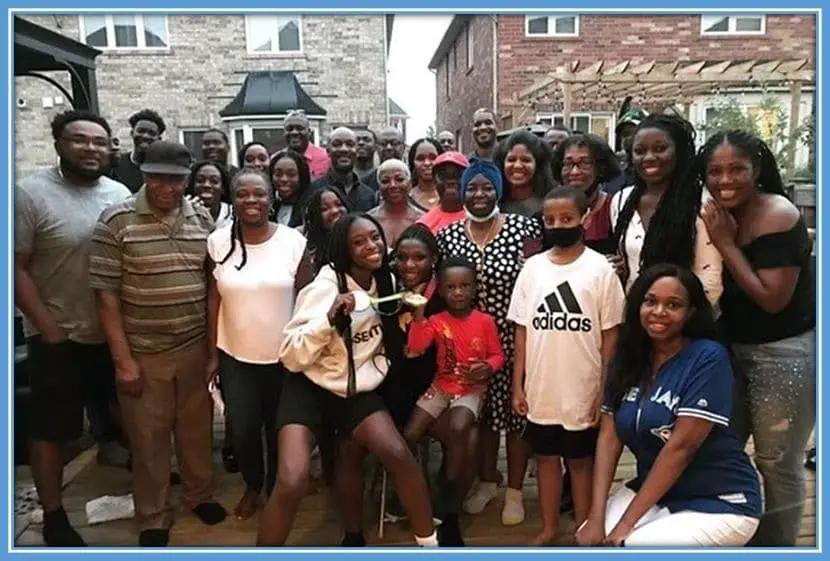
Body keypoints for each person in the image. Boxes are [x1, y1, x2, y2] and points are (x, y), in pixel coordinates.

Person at [257, 214, 438, 547]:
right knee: (293, 479)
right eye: (359, 242)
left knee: (399, 455)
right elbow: (290, 354)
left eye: (375, 237)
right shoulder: (323, 288)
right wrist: (329, 321)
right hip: (308, 388)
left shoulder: (387, 283)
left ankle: (430, 544)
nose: (372, 246)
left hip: (355, 391)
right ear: (343, 248)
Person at [89, 140, 227, 547]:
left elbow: (212, 285)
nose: (167, 188)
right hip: (143, 351)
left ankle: (198, 495)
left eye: (175, 180)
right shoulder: (116, 221)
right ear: (145, 176)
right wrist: (122, 360)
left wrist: (212, 350)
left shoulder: (202, 218)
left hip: (193, 346)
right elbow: (106, 295)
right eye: (157, 179)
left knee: (196, 432)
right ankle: (152, 513)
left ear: (187, 180)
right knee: (148, 439)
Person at [576, 263, 761, 547]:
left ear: (690, 313)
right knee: (590, 538)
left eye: (673, 304)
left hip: (719, 499)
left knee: (631, 546)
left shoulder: (708, 358)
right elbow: (609, 438)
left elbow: (681, 448)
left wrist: (625, 527)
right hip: (658, 491)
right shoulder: (626, 358)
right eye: (650, 301)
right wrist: (596, 517)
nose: (659, 312)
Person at [15, 110, 132, 546]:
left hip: (114, 332)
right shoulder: (29, 193)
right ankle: (54, 514)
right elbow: (16, 266)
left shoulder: (118, 192)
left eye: (99, 142)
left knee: (129, 414)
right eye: (79, 140)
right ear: (59, 144)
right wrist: (48, 329)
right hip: (59, 333)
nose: (90, 149)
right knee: (53, 430)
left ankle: (147, 487)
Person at [698, 130, 815, 546]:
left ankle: (779, 547)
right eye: (714, 171)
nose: (725, 180)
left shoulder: (777, 214)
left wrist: (726, 243)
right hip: (732, 350)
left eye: (736, 170)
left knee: (778, 463)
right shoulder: (712, 211)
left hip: (783, 351)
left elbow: (772, 299)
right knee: (721, 446)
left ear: (757, 170)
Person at [508, 186, 625, 545]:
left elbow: (610, 339)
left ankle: (585, 526)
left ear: (585, 219)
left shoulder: (600, 271)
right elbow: (522, 331)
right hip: (542, 386)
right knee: (545, 459)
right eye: (550, 220)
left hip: (583, 386)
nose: (558, 225)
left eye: (567, 219)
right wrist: (518, 385)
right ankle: (547, 527)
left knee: (580, 462)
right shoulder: (532, 269)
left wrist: (604, 391)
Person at [436, 159, 542, 526]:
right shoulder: (448, 236)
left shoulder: (523, 228)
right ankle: (487, 481)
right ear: (462, 192)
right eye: (472, 188)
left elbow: (539, 280)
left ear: (498, 190)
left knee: (516, 416)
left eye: (486, 187)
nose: (479, 194)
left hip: (516, 337)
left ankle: (514, 491)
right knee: (481, 418)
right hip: (469, 346)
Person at [206, 168, 307, 520]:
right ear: (232, 199)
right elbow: (213, 300)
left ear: (271, 197)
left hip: (285, 357)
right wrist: (211, 355)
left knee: (280, 426)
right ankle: (253, 485)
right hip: (236, 354)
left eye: (259, 193)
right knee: (245, 429)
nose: (252, 200)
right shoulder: (218, 242)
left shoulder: (293, 241)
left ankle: (279, 487)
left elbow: (307, 299)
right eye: (243, 193)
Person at [404, 256, 506, 545]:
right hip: (441, 386)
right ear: (442, 290)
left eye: (464, 286)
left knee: (461, 425)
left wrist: (487, 368)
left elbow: (498, 355)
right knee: (410, 433)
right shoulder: (436, 321)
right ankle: (420, 494)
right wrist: (420, 317)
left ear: (475, 288)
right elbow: (416, 346)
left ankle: (448, 489)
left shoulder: (485, 322)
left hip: (471, 389)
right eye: (450, 287)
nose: (458, 293)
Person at [610, 114, 722, 306]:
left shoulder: (702, 201)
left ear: (679, 151)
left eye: (660, 149)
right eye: (640, 151)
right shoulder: (621, 201)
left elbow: (710, 276)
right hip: (635, 319)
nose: (649, 157)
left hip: (686, 321)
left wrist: (678, 317)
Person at [550, 133, 621, 254]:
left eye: (585, 163)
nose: (575, 171)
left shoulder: (614, 208)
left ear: (600, 168)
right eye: (568, 164)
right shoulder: (549, 209)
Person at [295, 187, 351, 291]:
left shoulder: (358, 238)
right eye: (324, 209)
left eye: (339, 204)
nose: (334, 211)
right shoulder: (308, 250)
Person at [495, 130, 555, 218]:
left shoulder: (553, 202)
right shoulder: (494, 203)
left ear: (538, 165)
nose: (517, 166)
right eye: (511, 159)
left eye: (526, 160)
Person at [368, 158, 425, 246]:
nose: (393, 185)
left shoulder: (423, 220)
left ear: (410, 184)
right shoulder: (368, 221)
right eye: (385, 181)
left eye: (399, 179)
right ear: (379, 186)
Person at [110, 109, 166, 193]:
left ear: (159, 139)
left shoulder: (165, 168)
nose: (145, 136)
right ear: (132, 133)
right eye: (141, 131)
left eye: (152, 133)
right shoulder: (115, 164)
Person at [417, 151, 469, 234]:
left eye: (458, 175)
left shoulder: (481, 219)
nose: (451, 181)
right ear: (434, 181)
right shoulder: (424, 226)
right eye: (443, 176)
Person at [270, 149, 314, 228]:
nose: (284, 179)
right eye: (278, 174)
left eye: (291, 174)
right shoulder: (270, 208)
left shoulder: (311, 209)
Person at [283, 109, 331, 181]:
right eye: (290, 129)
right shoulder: (277, 159)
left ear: (309, 132)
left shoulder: (326, 158)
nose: (294, 132)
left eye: (300, 128)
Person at [187, 161, 233, 228]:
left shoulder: (234, 214)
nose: (206, 185)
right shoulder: (183, 211)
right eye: (200, 180)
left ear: (223, 188)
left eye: (214, 181)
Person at [407, 137, 444, 211]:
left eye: (432, 158)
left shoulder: (452, 196)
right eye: (420, 159)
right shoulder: (405, 198)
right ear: (412, 164)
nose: (427, 163)